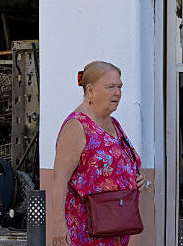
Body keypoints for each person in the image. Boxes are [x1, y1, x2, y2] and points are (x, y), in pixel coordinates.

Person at [51, 61, 146, 246]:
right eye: (110, 87)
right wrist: (58, 224)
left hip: (116, 227)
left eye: (119, 87)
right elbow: (59, 178)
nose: (117, 92)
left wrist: (136, 178)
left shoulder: (114, 124)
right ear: (90, 90)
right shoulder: (77, 125)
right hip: (87, 230)